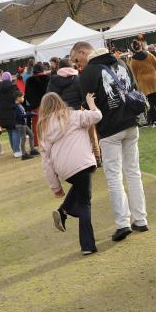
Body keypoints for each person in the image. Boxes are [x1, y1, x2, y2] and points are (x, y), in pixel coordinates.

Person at [71, 41, 148, 242]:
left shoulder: (88, 73)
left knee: (114, 177)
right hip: (131, 123)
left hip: (109, 129)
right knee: (133, 172)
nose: (77, 65)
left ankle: (123, 223)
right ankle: (140, 219)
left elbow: (86, 104)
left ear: (83, 52)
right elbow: (134, 87)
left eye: (76, 60)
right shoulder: (121, 63)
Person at [40, 92, 103, 255]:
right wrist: (91, 104)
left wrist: (56, 187)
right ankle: (87, 245)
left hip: (64, 170)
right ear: (60, 103)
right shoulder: (74, 116)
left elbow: (46, 161)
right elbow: (97, 116)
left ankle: (64, 211)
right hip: (82, 162)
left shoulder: (45, 129)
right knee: (84, 202)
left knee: (80, 190)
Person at [128, 40, 156, 127]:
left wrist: (136, 83)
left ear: (133, 48)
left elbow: (133, 73)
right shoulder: (149, 55)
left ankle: (155, 120)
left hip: (143, 82)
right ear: (141, 46)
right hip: (154, 79)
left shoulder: (133, 60)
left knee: (150, 102)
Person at [24, 63, 51, 145]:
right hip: (47, 105)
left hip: (35, 107)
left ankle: (37, 142)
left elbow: (27, 95)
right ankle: (50, 141)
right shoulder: (47, 78)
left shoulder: (29, 80)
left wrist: (32, 103)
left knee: (36, 125)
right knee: (49, 123)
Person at [0, 71, 21, 157]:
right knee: (15, 130)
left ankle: (14, 150)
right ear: (10, 78)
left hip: (3, 113)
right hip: (13, 111)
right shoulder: (13, 87)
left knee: (10, 131)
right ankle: (17, 151)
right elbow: (19, 98)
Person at [14, 92, 38, 160]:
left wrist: (29, 113)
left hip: (23, 124)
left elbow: (23, 113)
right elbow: (21, 116)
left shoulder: (19, 105)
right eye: (22, 97)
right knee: (23, 138)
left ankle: (32, 150)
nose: (23, 98)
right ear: (18, 98)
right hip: (20, 124)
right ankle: (24, 154)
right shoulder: (16, 107)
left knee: (31, 134)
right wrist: (30, 114)